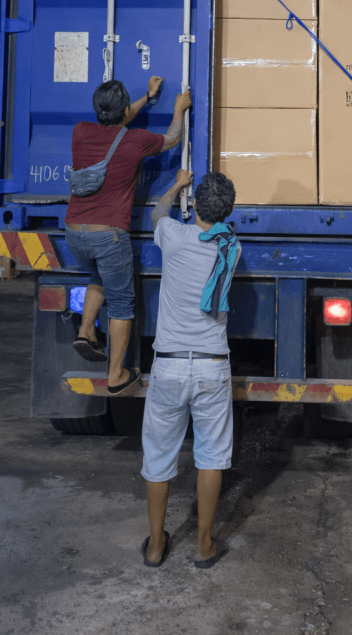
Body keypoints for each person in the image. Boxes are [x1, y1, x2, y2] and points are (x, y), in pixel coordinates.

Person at [66, 76, 192, 397]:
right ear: (124, 110)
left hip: (75, 232)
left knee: (99, 273)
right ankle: (117, 375)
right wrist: (177, 109)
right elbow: (173, 139)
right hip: (108, 234)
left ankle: (85, 331)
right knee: (122, 304)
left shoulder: (80, 132)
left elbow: (117, 118)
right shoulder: (136, 141)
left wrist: (148, 99)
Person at [140, 170, 240, 569]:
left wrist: (177, 184)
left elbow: (157, 213)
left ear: (196, 204)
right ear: (229, 212)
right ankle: (203, 546)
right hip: (213, 366)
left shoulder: (174, 237)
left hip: (168, 366)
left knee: (160, 457)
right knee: (211, 457)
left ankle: (155, 547)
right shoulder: (231, 246)